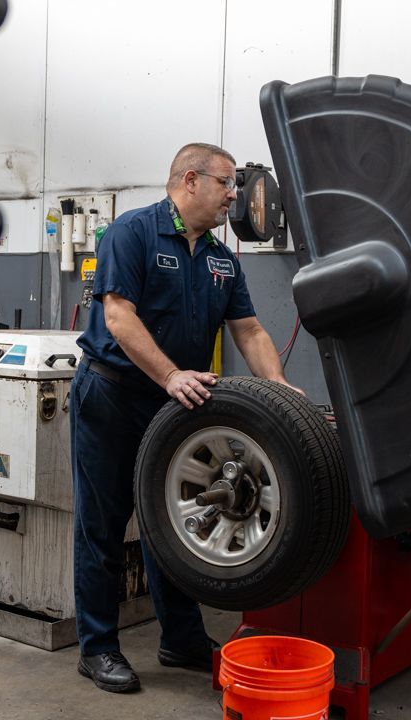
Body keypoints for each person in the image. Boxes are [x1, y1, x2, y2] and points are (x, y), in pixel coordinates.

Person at [71, 143, 296, 693]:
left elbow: (249, 330)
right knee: (102, 526)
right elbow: (119, 317)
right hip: (115, 395)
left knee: (171, 525)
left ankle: (182, 640)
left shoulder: (222, 258)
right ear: (190, 180)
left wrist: (284, 393)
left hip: (176, 408)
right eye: (227, 185)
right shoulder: (132, 233)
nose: (234, 197)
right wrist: (171, 375)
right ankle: (97, 648)